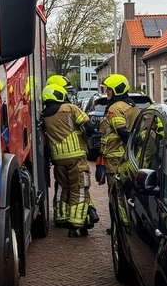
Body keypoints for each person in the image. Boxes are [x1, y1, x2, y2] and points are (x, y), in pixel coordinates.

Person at [39, 83, 96, 237]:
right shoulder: (70, 108)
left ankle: (61, 217)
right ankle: (76, 225)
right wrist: (84, 137)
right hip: (76, 156)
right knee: (79, 189)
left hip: (58, 159)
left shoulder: (44, 115)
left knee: (62, 188)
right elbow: (89, 127)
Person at [98, 73, 141, 188]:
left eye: (109, 89)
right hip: (129, 155)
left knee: (115, 190)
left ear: (117, 90)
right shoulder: (132, 106)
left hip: (115, 157)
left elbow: (122, 132)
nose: (106, 91)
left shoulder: (115, 108)